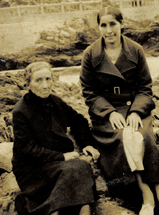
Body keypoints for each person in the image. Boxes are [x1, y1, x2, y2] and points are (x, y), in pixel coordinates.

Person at [80, 6, 159, 215]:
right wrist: (109, 112)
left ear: (121, 24)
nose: (108, 30)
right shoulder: (90, 54)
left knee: (144, 136)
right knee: (122, 138)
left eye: (113, 24)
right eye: (103, 25)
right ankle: (146, 194)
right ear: (98, 27)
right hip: (106, 115)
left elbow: (145, 88)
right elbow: (89, 92)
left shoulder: (135, 50)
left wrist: (135, 111)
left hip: (135, 108)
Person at [12, 62, 100, 215]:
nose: (45, 85)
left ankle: (73, 210)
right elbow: (27, 149)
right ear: (28, 84)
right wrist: (62, 156)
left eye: (48, 79)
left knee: (80, 167)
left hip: (56, 166)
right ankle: (54, 210)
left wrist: (87, 145)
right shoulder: (20, 111)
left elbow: (79, 121)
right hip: (32, 171)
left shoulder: (55, 102)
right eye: (38, 80)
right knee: (78, 167)